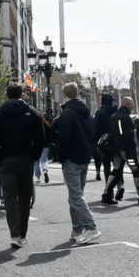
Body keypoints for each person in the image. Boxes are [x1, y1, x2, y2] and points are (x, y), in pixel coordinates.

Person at [0, 82, 41, 249]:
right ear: (21, 94)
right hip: (25, 158)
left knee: (10, 197)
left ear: (7, 94)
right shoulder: (32, 112)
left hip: (7, 159)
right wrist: (34, 155)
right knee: (25, 197)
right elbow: (40, 137)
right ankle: (22, 233)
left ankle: (14, 233)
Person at [52, 82, 100, 244]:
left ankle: (90, 227)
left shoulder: (67, 114)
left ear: (65, 95)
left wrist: (61, 155)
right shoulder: (87, 112)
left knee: (75, 196)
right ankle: (77, 229)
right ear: (78, 93)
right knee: (76, 195)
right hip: (85, 157)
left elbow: (64, 138)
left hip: (71, 157)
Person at [97, 92, 135, 204]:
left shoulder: (100, 112)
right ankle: (120, 186)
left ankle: (108, 192)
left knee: (108, 167)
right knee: (118, 167)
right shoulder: (116, 111)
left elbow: (96, 129)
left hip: (105, 143)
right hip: (117, 143)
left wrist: (96, 143)